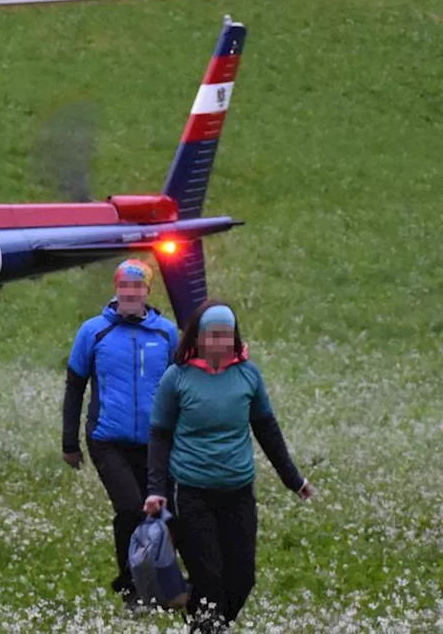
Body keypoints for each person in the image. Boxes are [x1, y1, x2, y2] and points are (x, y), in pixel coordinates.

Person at [143, 300, 315, 632]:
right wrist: (155, 489)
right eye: (213, 335)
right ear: (199, 337)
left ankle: (208, 623)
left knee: (242, 578)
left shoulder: (248, 375)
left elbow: (267, 429)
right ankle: (206, 625)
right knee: (209, 576)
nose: (220, 342)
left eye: (227, 335)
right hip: (191, 492)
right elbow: (159, 435)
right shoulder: (176, 378)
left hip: (238, 491)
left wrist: (294, 480)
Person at [61, 258, 178, 609]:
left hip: (156, 442)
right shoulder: (93, 331)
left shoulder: (166, 333)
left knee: (160, 514)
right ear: (116, 289)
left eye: (137, 286)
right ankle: (132, 588)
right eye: (124, 286)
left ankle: (165, 585)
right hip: (107, 439)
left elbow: (179, 388)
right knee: (130, 509)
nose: (130, 292)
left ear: (147, 290)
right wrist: (69, 443)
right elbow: (74, 387)